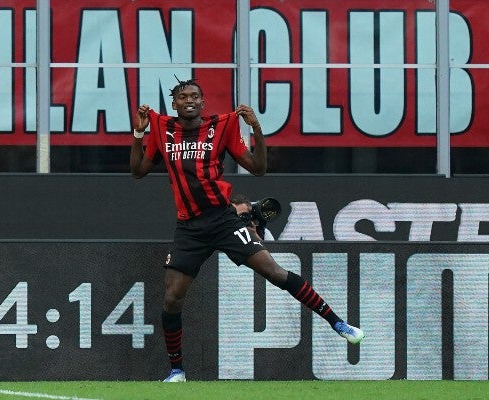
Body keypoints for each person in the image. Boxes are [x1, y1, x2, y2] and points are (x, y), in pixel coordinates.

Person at [130, 79, 363, 383]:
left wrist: (256, 129)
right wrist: (139, 133)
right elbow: (138, 171)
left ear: (203, 102)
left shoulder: (221, 127)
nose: (189, 100)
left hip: (223, 219)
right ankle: (177, 371)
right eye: (182, 97)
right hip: (189, 227)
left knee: (274, 272)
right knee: (173, 297)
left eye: (195, 96)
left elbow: (258, 168)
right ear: (174, 104)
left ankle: (339, 324)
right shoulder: (162, 130)